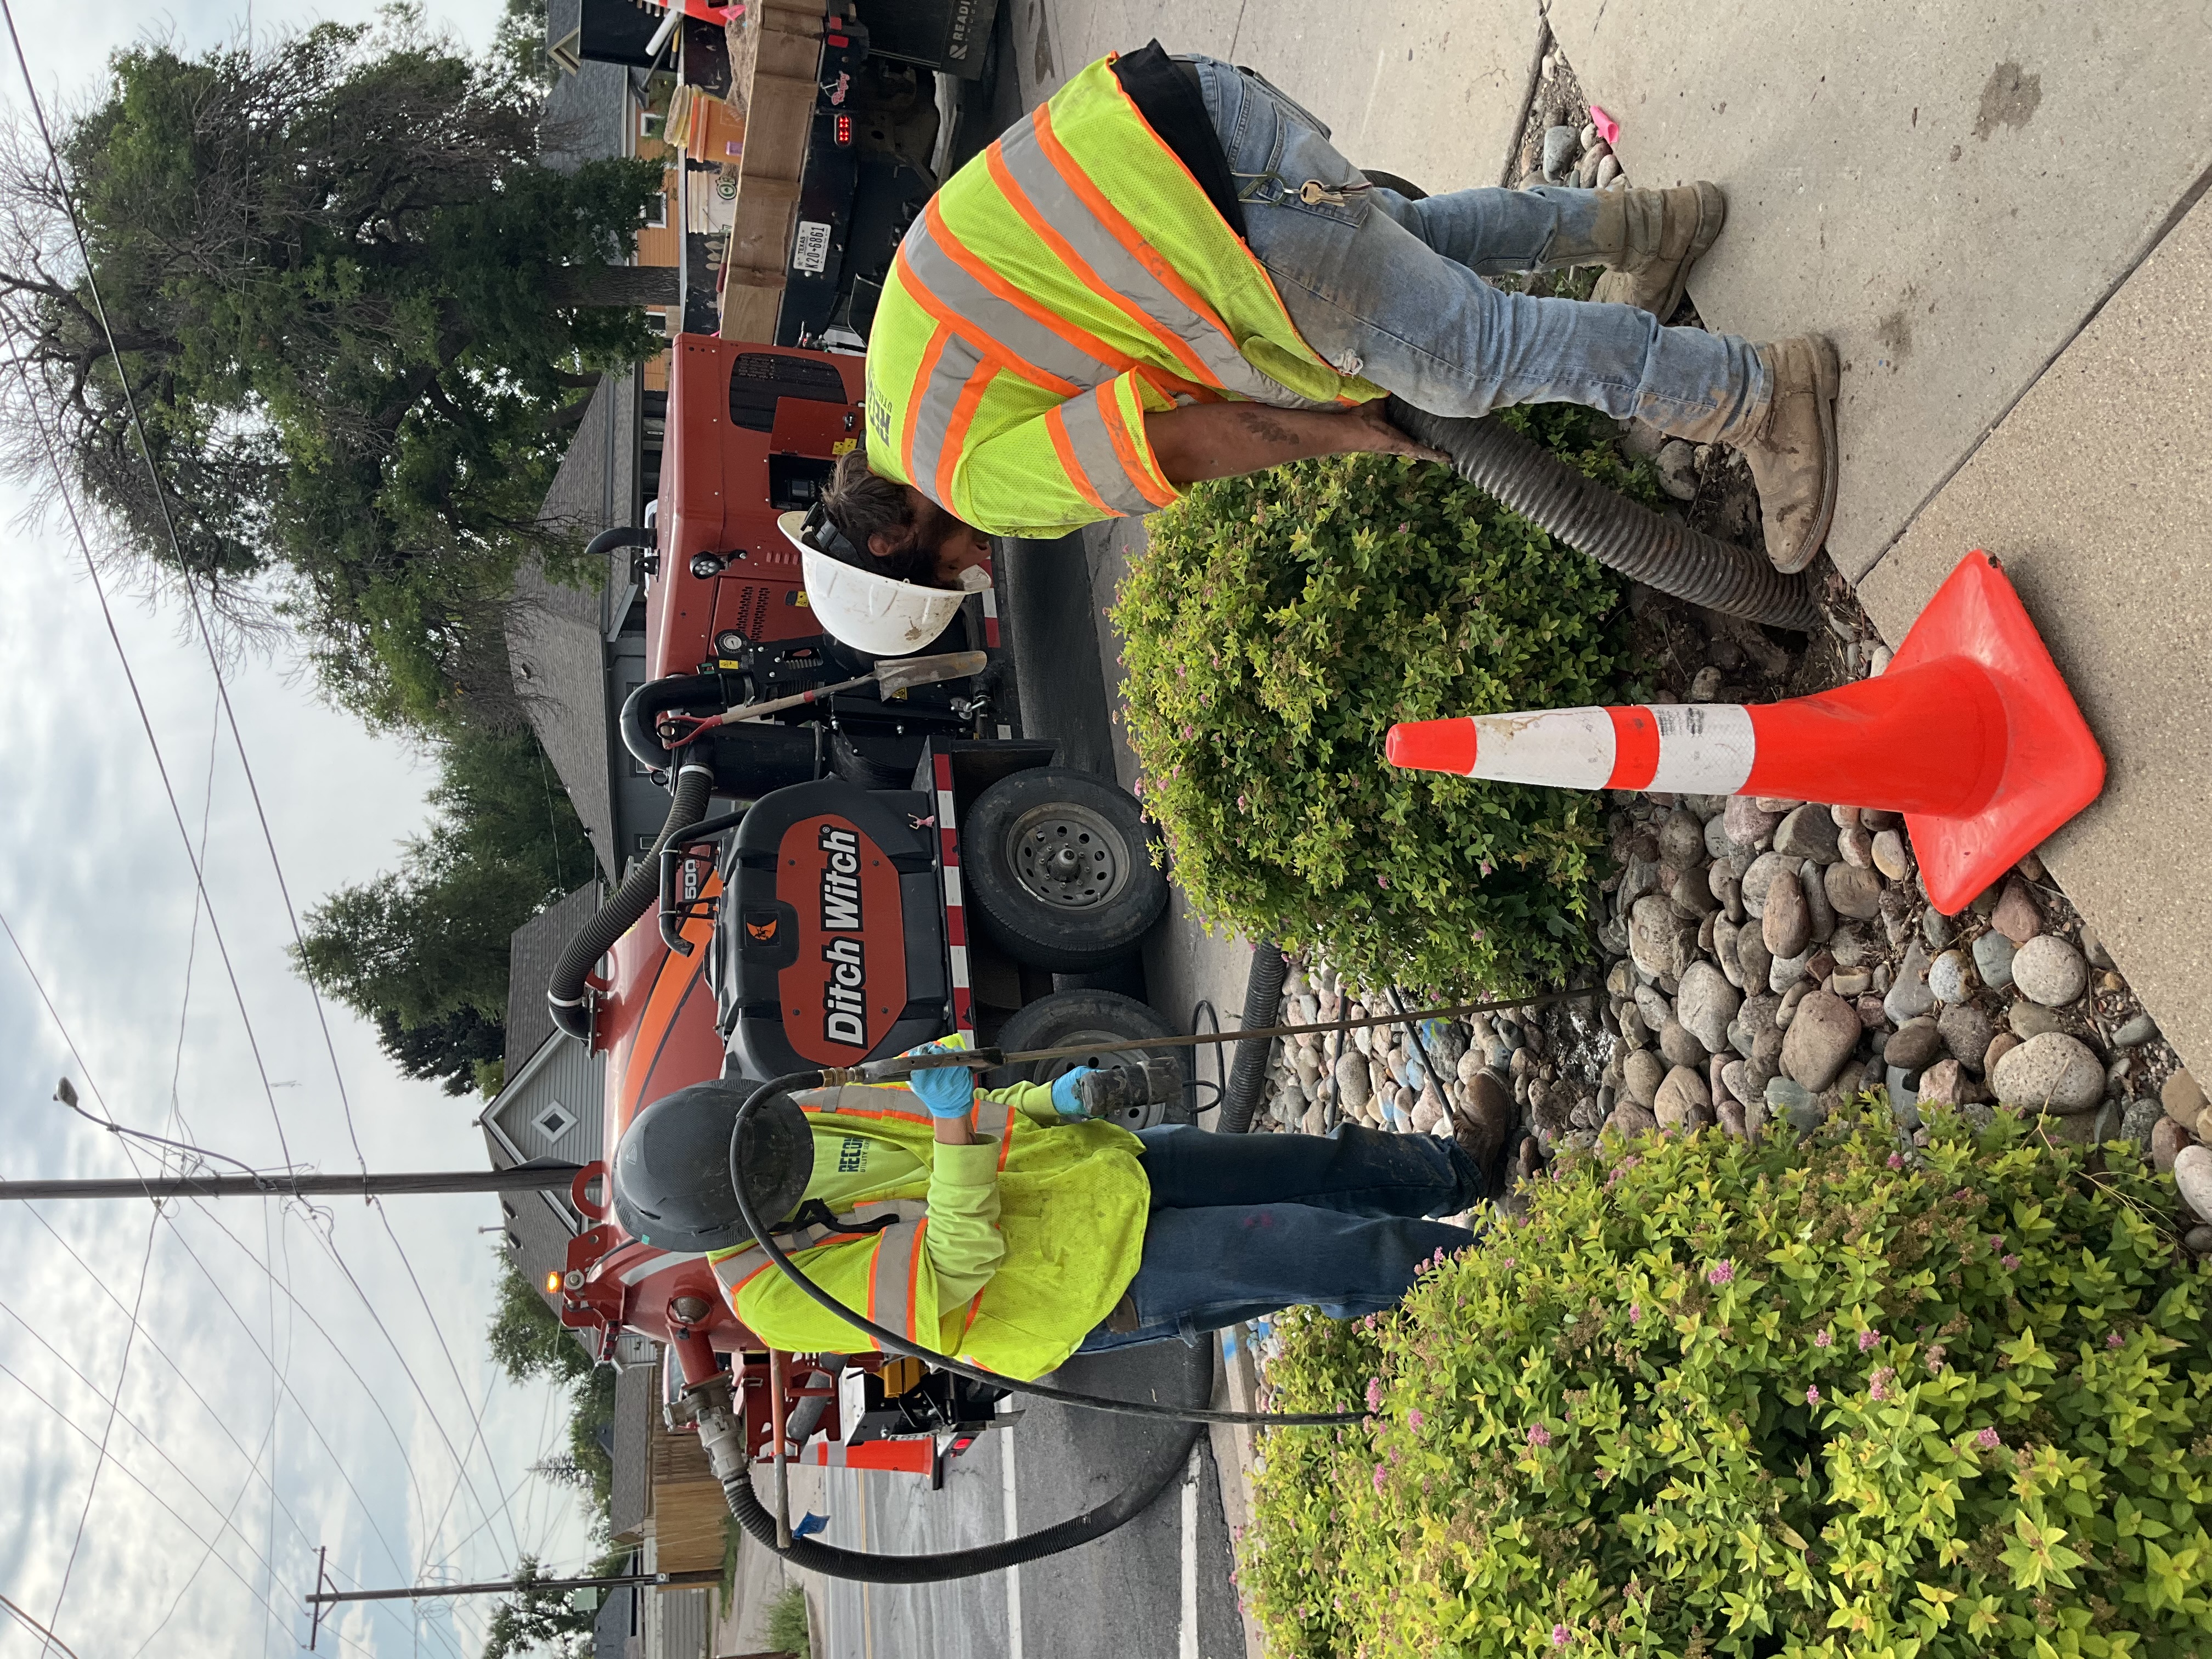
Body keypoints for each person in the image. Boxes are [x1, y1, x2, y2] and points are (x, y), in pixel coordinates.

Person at [783, 43, 1838, 655]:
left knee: (1467, 363)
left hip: (1213, 219)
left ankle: (1760, 397)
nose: (978, 561)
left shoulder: (965, 474)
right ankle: (1653, 226)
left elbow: (1191, 442)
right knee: (1408, 245)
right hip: (1189, 111)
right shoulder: (897, 385)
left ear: (892, 543)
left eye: (950, 569)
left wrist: (1347, 437)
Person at [612, 1037, 1523, 1383]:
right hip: (1085, 1285)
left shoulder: (787, 1120)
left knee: (1306, 1162)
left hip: (1092, 1172)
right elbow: (950, 1268)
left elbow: (953, 1107)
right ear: (729, 1218)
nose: (789, 1146)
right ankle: (1511, 1281)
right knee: (1318, 1250)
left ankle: (1457, 1173)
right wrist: (960, 1127)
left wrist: (1056, 1101)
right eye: (771, 1165)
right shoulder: (774, 1298)